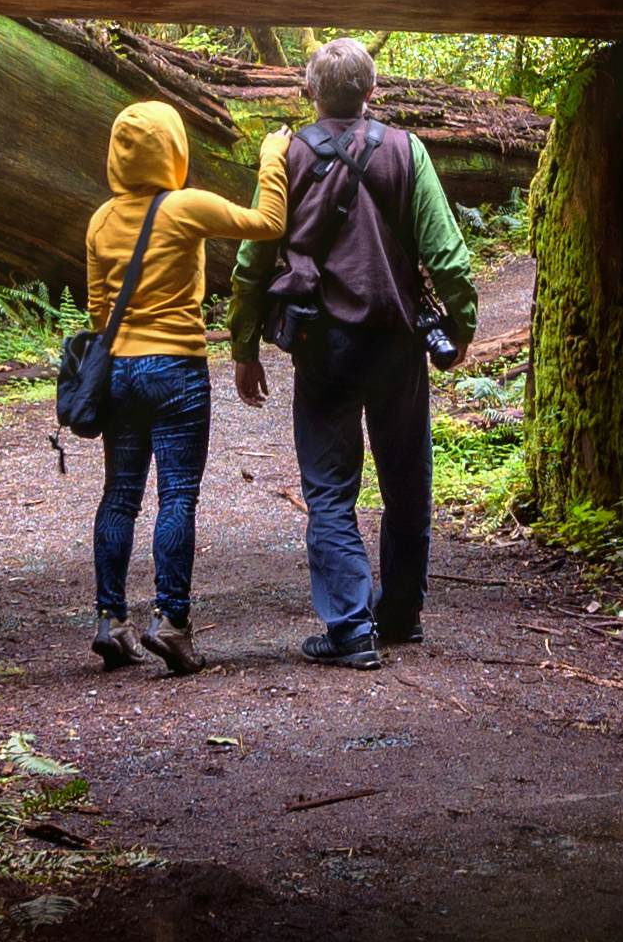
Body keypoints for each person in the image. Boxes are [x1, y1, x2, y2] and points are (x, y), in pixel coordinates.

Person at [233, 38, 476, 670]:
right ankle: (399, 614)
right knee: (406, 480)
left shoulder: (285, 155)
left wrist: (244, 345)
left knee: (331, 487)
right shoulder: (406, 150)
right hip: (397, 343)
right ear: (373, 92)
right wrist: (463, 323)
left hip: (323, 346)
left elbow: (253, 259)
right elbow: (446, 250)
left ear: (309, 93)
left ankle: (349, 628)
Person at [82, 94, 286, 676]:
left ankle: (110, 621)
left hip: (120, 370)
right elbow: (268, 223)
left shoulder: (100, 220)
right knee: (176, 497)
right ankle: (170, 623)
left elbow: (100, 309)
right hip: (176, 369)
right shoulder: (186, 206)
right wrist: (272, 154)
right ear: (172, 149)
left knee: (119, 496)